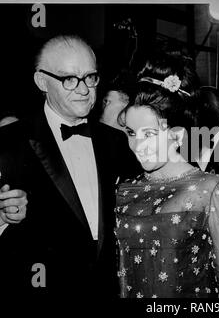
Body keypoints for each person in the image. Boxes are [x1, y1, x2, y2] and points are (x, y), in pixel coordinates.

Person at [0, 34, 139, 297]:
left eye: (91, 77)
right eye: (69, 79)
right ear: (42, 81)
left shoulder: (116, 142)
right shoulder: (8, 142)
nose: (84, 89)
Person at [115, 52, 219, 298]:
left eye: (150, 134)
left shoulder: (210, 190)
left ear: (177, 135)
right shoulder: (124, 190)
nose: (137, 145)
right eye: (131, 133)